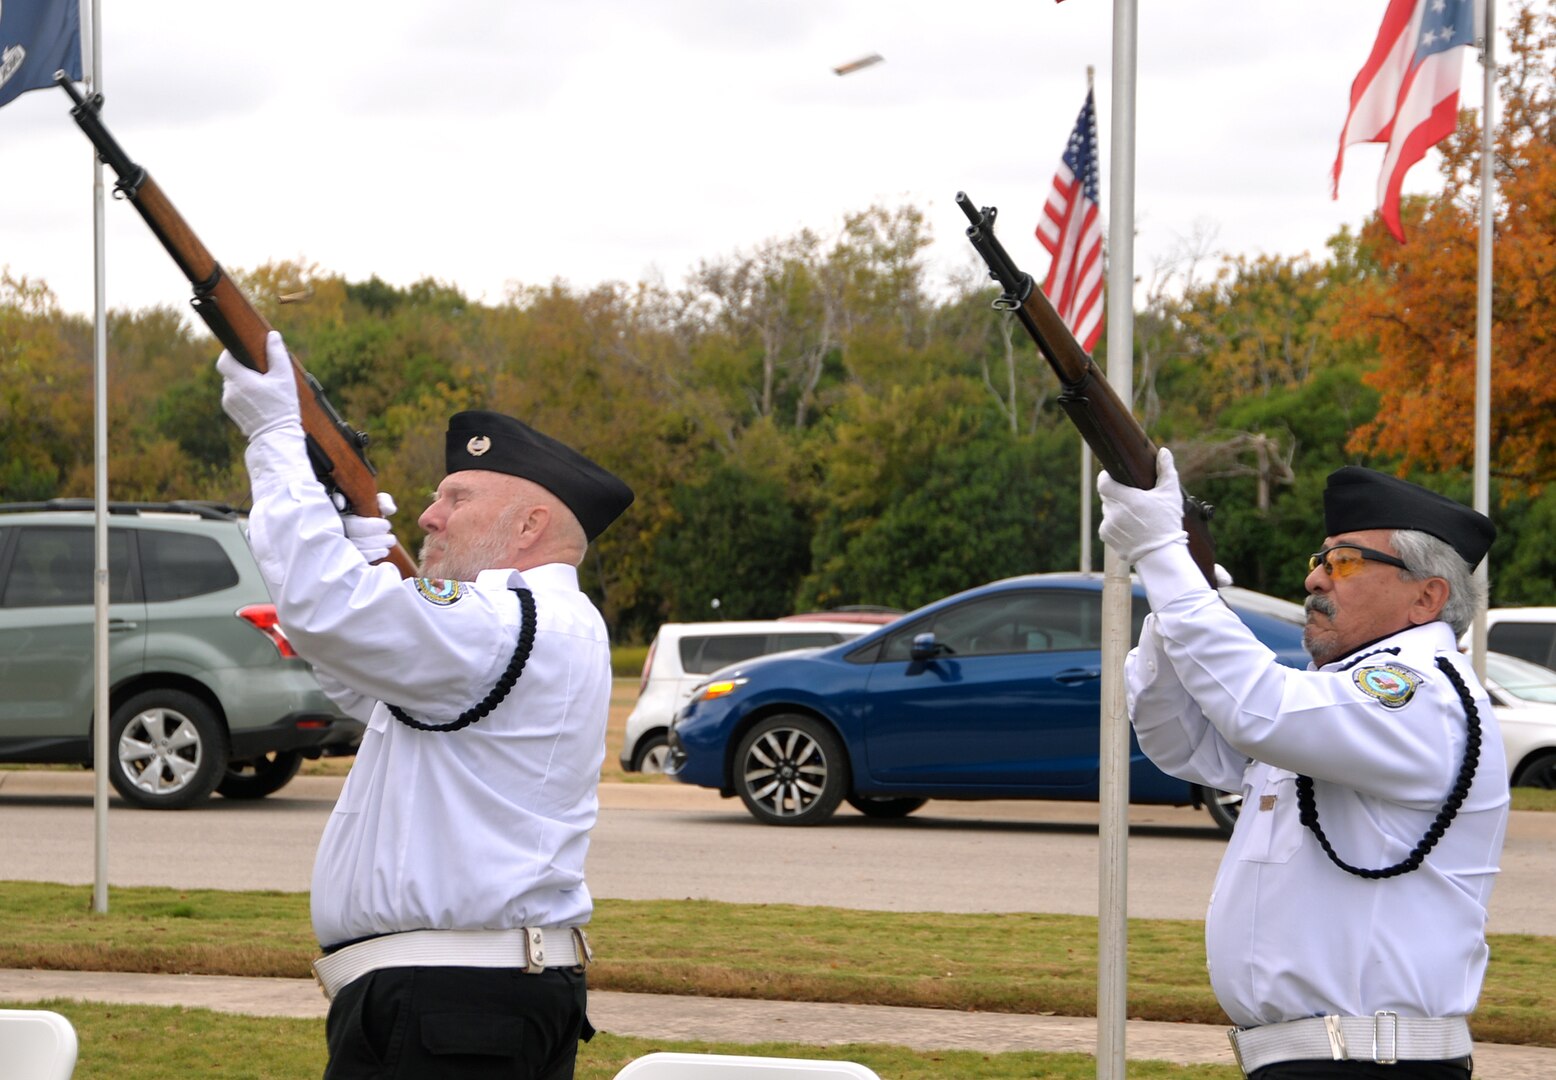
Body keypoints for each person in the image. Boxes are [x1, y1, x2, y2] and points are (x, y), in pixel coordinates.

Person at [218, 331, 633, 1080]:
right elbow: (362, 678)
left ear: (529, 526)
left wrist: (276, 438)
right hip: (464, 1003)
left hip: (452, 1011)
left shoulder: (509, 617)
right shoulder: (528, 627)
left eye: (457, 496)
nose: (428, 515)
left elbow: (327, 611)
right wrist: (355, 547)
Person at [1096, 450, 1509, 1080]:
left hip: (1372, 1065)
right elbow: (1181, 742)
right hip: (1317, 1063)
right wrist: (1180, 597)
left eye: (1344, 561)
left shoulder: (1420, 693)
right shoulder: (1338, 696)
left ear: (1427, 597)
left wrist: (1164, 554)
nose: (1316, 579)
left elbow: (1257, 706)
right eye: (1320, 560)